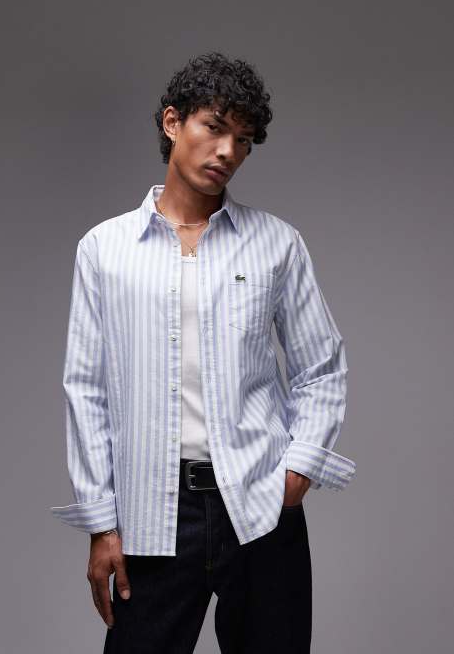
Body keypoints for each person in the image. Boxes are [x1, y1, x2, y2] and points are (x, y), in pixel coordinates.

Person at [49, 51, 356, 653]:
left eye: (243, 140)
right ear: (172, 123)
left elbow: (321, 367)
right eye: (214, 127)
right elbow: (86, 390)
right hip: (152, 513)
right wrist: (101, 524)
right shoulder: (104, 249)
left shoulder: (277, 244)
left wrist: (296, 474)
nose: (227, 151)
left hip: (261, 504)